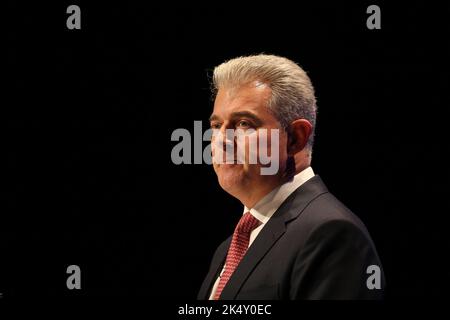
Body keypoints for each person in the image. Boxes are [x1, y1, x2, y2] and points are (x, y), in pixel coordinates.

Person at [197, 54, 384, 300]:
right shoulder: (229, 248)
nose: (221, 140)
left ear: (296, 137)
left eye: (243, 123)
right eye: (216, 125)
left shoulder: (332, 234)